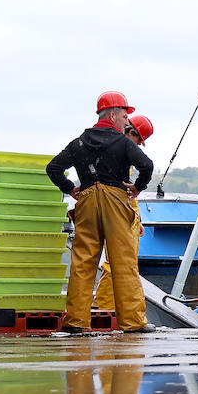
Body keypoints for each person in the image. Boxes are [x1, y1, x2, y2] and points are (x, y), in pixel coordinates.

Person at [47, 91, 154, 332]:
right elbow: (146, 166)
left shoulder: (79, 143)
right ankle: (133, 322)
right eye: (125, 116)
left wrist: (70, 189)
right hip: (116, 201)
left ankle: (75, 322)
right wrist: (137, 188)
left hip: (85, 202)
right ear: (114, 114)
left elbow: (53, 168)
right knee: (123, 263)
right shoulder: (123, 142)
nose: (127, 121)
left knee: (83, 263)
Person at [94, 115, 154, 312]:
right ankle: (104, 308)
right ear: (132, 133)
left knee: (122, 263)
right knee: (116, 264)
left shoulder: (117, 150)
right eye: (139, 140)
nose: (138, 146)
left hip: (123, 210)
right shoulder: (118, 149)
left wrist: (137, 220)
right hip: (116, 209)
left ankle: (111, 308)